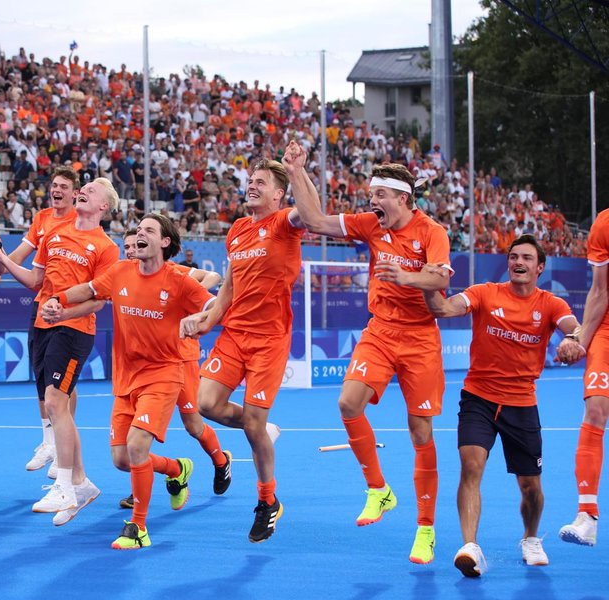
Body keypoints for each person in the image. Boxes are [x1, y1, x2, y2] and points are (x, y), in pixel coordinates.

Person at [282, 140, 451, 564]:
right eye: (372, 193)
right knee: (347, 402)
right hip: (380, 330)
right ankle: (379, 489)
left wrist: (407, 278)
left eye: (379, 194)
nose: (372, 200)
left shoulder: (432, 232)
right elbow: (316, 221)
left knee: (420, 433)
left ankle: (426, 529)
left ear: (402, 197)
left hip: (420, 338)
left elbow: (439, 280)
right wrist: (297, 172)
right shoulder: (371, 224)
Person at [43, 214, 214, 549]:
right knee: (123, 460)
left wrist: (201, 317)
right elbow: (90, 290)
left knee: (137, 447)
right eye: (138, 230)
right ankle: (177, 469)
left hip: (164, 375)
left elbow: (213, 303)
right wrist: (59, 300)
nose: (139, 234)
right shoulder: (120, 271)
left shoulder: (178, 279)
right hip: (125, 379)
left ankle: (138, 528)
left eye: (148, 230)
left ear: (164, 242)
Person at [420, 236, 579, 577]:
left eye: (526, 257)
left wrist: (572, 339)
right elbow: (445, 309)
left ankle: (531, 538)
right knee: (471, 465)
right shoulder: (484, 292)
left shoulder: (550, 304)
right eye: (513, 256)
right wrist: (426, 283)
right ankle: (470, 547)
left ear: (539, 267)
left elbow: (574, 327)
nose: (518, 262)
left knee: (530, 488)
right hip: (478, 397)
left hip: (521, 404)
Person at [180, 159, 304, 544]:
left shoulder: (286, 222)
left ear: (278, 194)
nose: (251, 186)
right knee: (205, 403)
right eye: (250, 180)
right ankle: (261, 427)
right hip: (235, 334)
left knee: (251, 426)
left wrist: (297, 171)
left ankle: (268, 501)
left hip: (269, 339)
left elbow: (311, 213)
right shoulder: (236, 230)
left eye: (261, 182)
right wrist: (207, 318)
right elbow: (228, 289)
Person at [0, 178, 120, 525]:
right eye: (84, 186)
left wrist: (64, 311)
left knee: (58, 401)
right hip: (43, 325)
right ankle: (79, 482)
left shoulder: (106, 247)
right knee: (53, 403)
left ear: (104, 206)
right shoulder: (54, 235)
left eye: (92, 189)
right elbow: (33, 281)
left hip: (74, 329)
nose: (84, 190)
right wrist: (0, 258)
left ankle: (65, 485)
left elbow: (100, 301)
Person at [118, 234, 235, 510]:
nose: (132, 251)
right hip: (144, 368)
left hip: (180, 360)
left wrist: (181, 299)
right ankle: (141, 485)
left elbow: (214, 277)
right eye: (127, 248)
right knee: (135, 432)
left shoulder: (173, 274)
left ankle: (221, 461)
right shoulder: (125, 276)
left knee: (193, 426)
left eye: (136, 245)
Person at [0, 167, 79, 479]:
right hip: (41, 307)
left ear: (75, 193)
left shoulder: (81, 222)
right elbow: (23, 253)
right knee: (41, 378)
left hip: (69, 310)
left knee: (63, 383)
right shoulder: (43, 218)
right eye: (54, 185)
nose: (57, 190)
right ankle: (49, 441)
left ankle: (62, 441)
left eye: (63, 186)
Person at [561, 208, 609, 546]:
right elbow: (600, 291)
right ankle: (587, 517)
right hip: (606, 331)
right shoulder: (604, 224)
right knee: (595, 410)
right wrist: (581, 339)